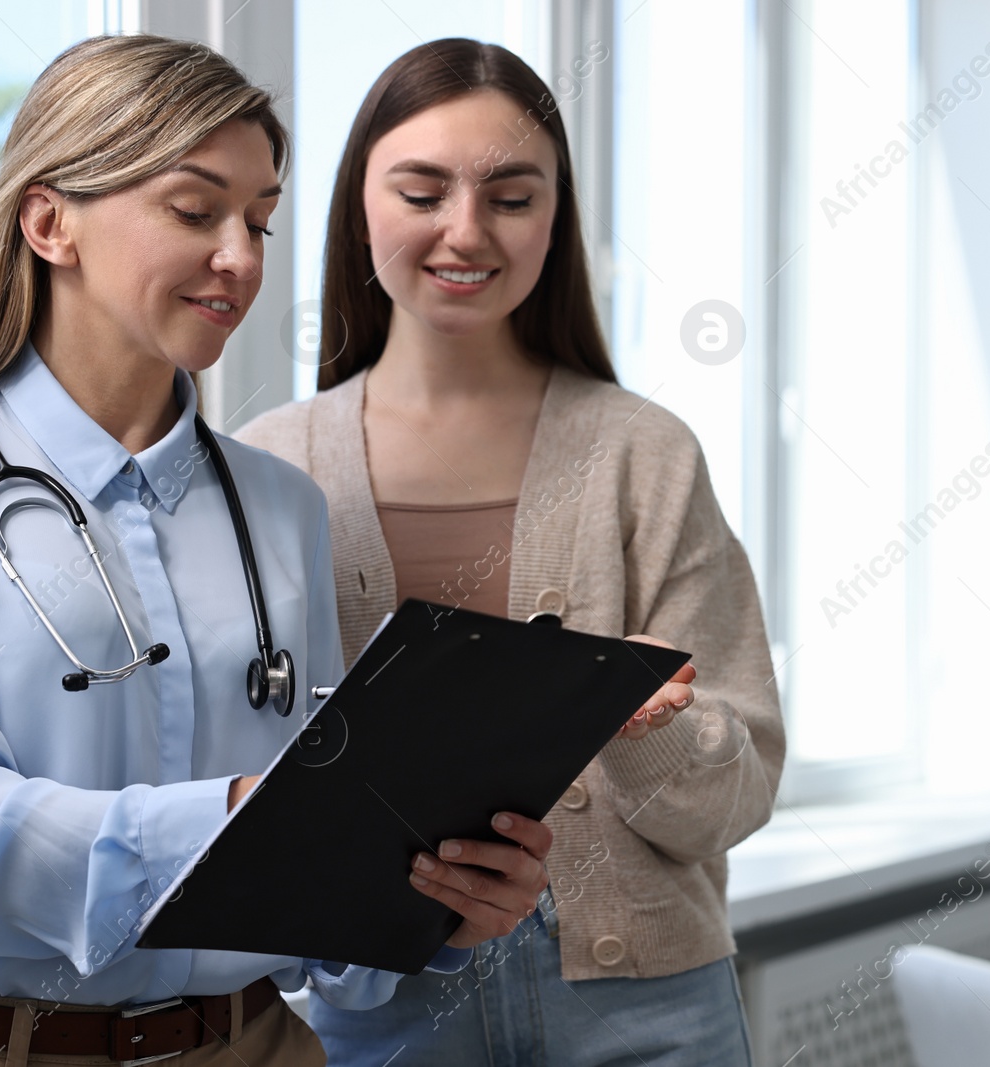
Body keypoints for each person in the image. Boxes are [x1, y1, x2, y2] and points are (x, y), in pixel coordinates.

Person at [0, 35, 553, 1067]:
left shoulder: (281, 506)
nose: (243, 257)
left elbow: (325, 885)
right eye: (195, 209)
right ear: (49, 221)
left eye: (259, 219)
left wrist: (437, 905)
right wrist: (243, 818)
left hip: (253, 1043)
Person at [236, 38, 786, 1066]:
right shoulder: (271, 468)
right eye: (422, 190)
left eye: (511, 196)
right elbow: (240, 787)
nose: (465, 231)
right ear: (360, 203)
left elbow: (737, 794)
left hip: (647, 1004)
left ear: (555, 220)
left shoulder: (643, 453)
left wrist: (645, 728)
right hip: (378, 1004)